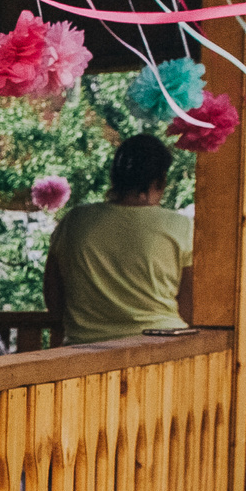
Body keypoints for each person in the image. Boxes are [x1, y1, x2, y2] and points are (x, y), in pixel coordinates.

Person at [44, 134, 193, 344]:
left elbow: (53, 296)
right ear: (160, 180)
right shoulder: (181, 226)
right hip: (162, 345)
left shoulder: (75, 221)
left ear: (114, 177)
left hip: (84, 349)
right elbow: (190, 304)